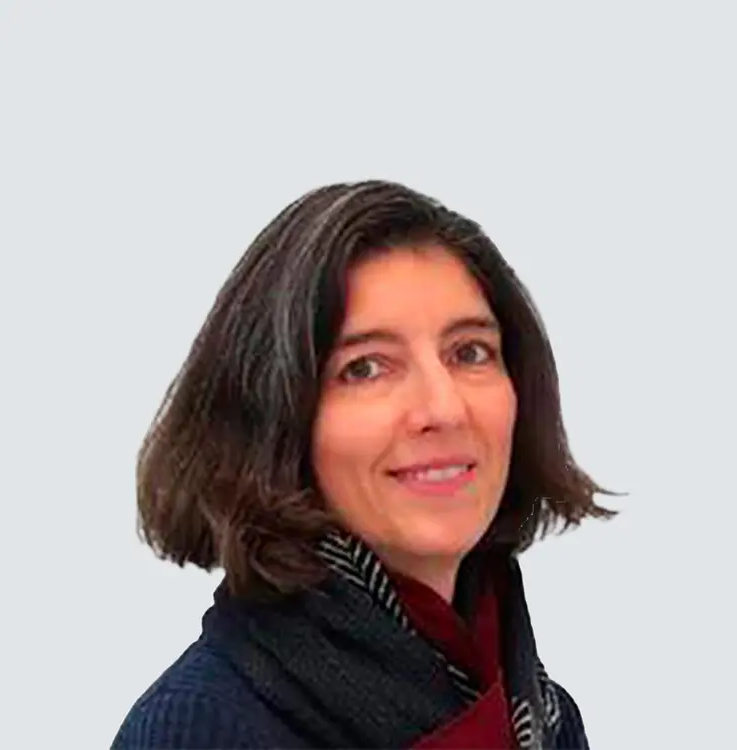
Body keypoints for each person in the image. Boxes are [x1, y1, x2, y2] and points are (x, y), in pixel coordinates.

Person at [111, 180, 618, 749]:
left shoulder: (543, 721)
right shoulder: (202, 731)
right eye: (366, 368)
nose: (444, 408)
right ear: (274, 419)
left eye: (469, 352)